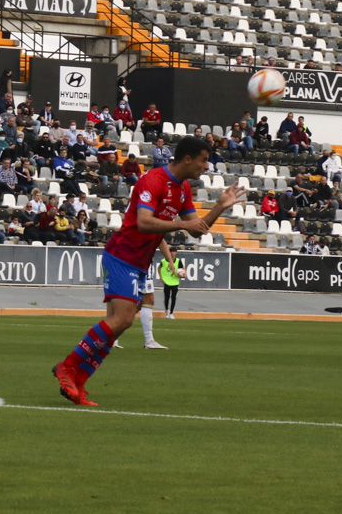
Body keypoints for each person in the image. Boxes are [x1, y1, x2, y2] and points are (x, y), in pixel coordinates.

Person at [51, 137, 242, 405]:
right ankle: (66, 368)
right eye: (203, 159)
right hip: (122, 255)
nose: (205, 165)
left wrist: (220, 207)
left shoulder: (184, 188)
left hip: (138, 262)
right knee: (123, 320)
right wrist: (180, 225)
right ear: (188, 159)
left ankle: (78, 383)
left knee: (115, 328)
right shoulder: (152, 180)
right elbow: (143, 222)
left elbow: (197, 229)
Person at [159, 246, 184, 320]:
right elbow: (159, 267)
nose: (172, 253)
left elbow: (182, 270)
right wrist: (161, 277)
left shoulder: (178, 261)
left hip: (175, 282)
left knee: (173, 298)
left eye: (174, 251)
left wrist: (183, 274)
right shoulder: (164, 261)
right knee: (166, 297)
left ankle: (172, 313)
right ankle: (166, 311)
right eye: (171, 251)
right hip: (167, 281)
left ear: (176, 253)